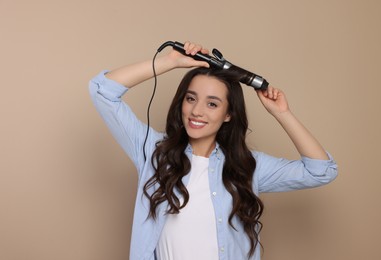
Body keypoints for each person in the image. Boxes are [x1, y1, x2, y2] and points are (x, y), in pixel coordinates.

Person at [89, 41, 338, 260]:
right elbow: (102, 90)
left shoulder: (247, 166)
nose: (197, 111)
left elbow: (321, 170)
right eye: (190, 98)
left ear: (228, 114)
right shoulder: (153, 153)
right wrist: (170, 62)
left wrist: (282, 113)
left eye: (212, 104)